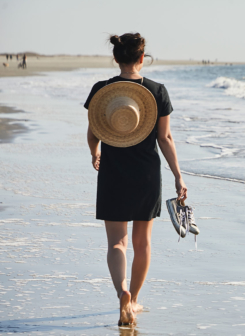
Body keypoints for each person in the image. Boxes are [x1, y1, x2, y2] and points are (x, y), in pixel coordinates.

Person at [84, 32, 187, 326]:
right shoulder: (157, 90)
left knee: (117, 243)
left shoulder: (101, 90)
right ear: (142, 58)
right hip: (147, 175)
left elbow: (93, 133)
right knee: (142, 243)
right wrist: (178, 176)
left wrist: (95, 154)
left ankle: (122, 293)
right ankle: (135, 300)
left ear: (116, 58)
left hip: (113, 173)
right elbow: (165, 138)